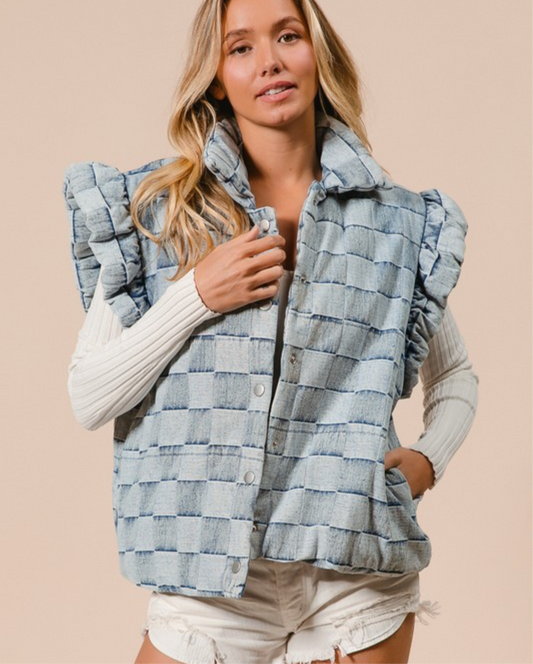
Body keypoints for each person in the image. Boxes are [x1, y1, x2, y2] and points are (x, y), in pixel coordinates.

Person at [63, 0, 479, 662]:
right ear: (215, 78)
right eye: (241, 47)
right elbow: (89, 395)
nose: (270, 62)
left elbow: (453, 375)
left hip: (352, 568)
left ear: (317, 54)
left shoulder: (395, 224)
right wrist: (195, 295)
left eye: (287, 36)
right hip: (207, 570)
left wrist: (427, 460)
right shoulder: (160, 213)